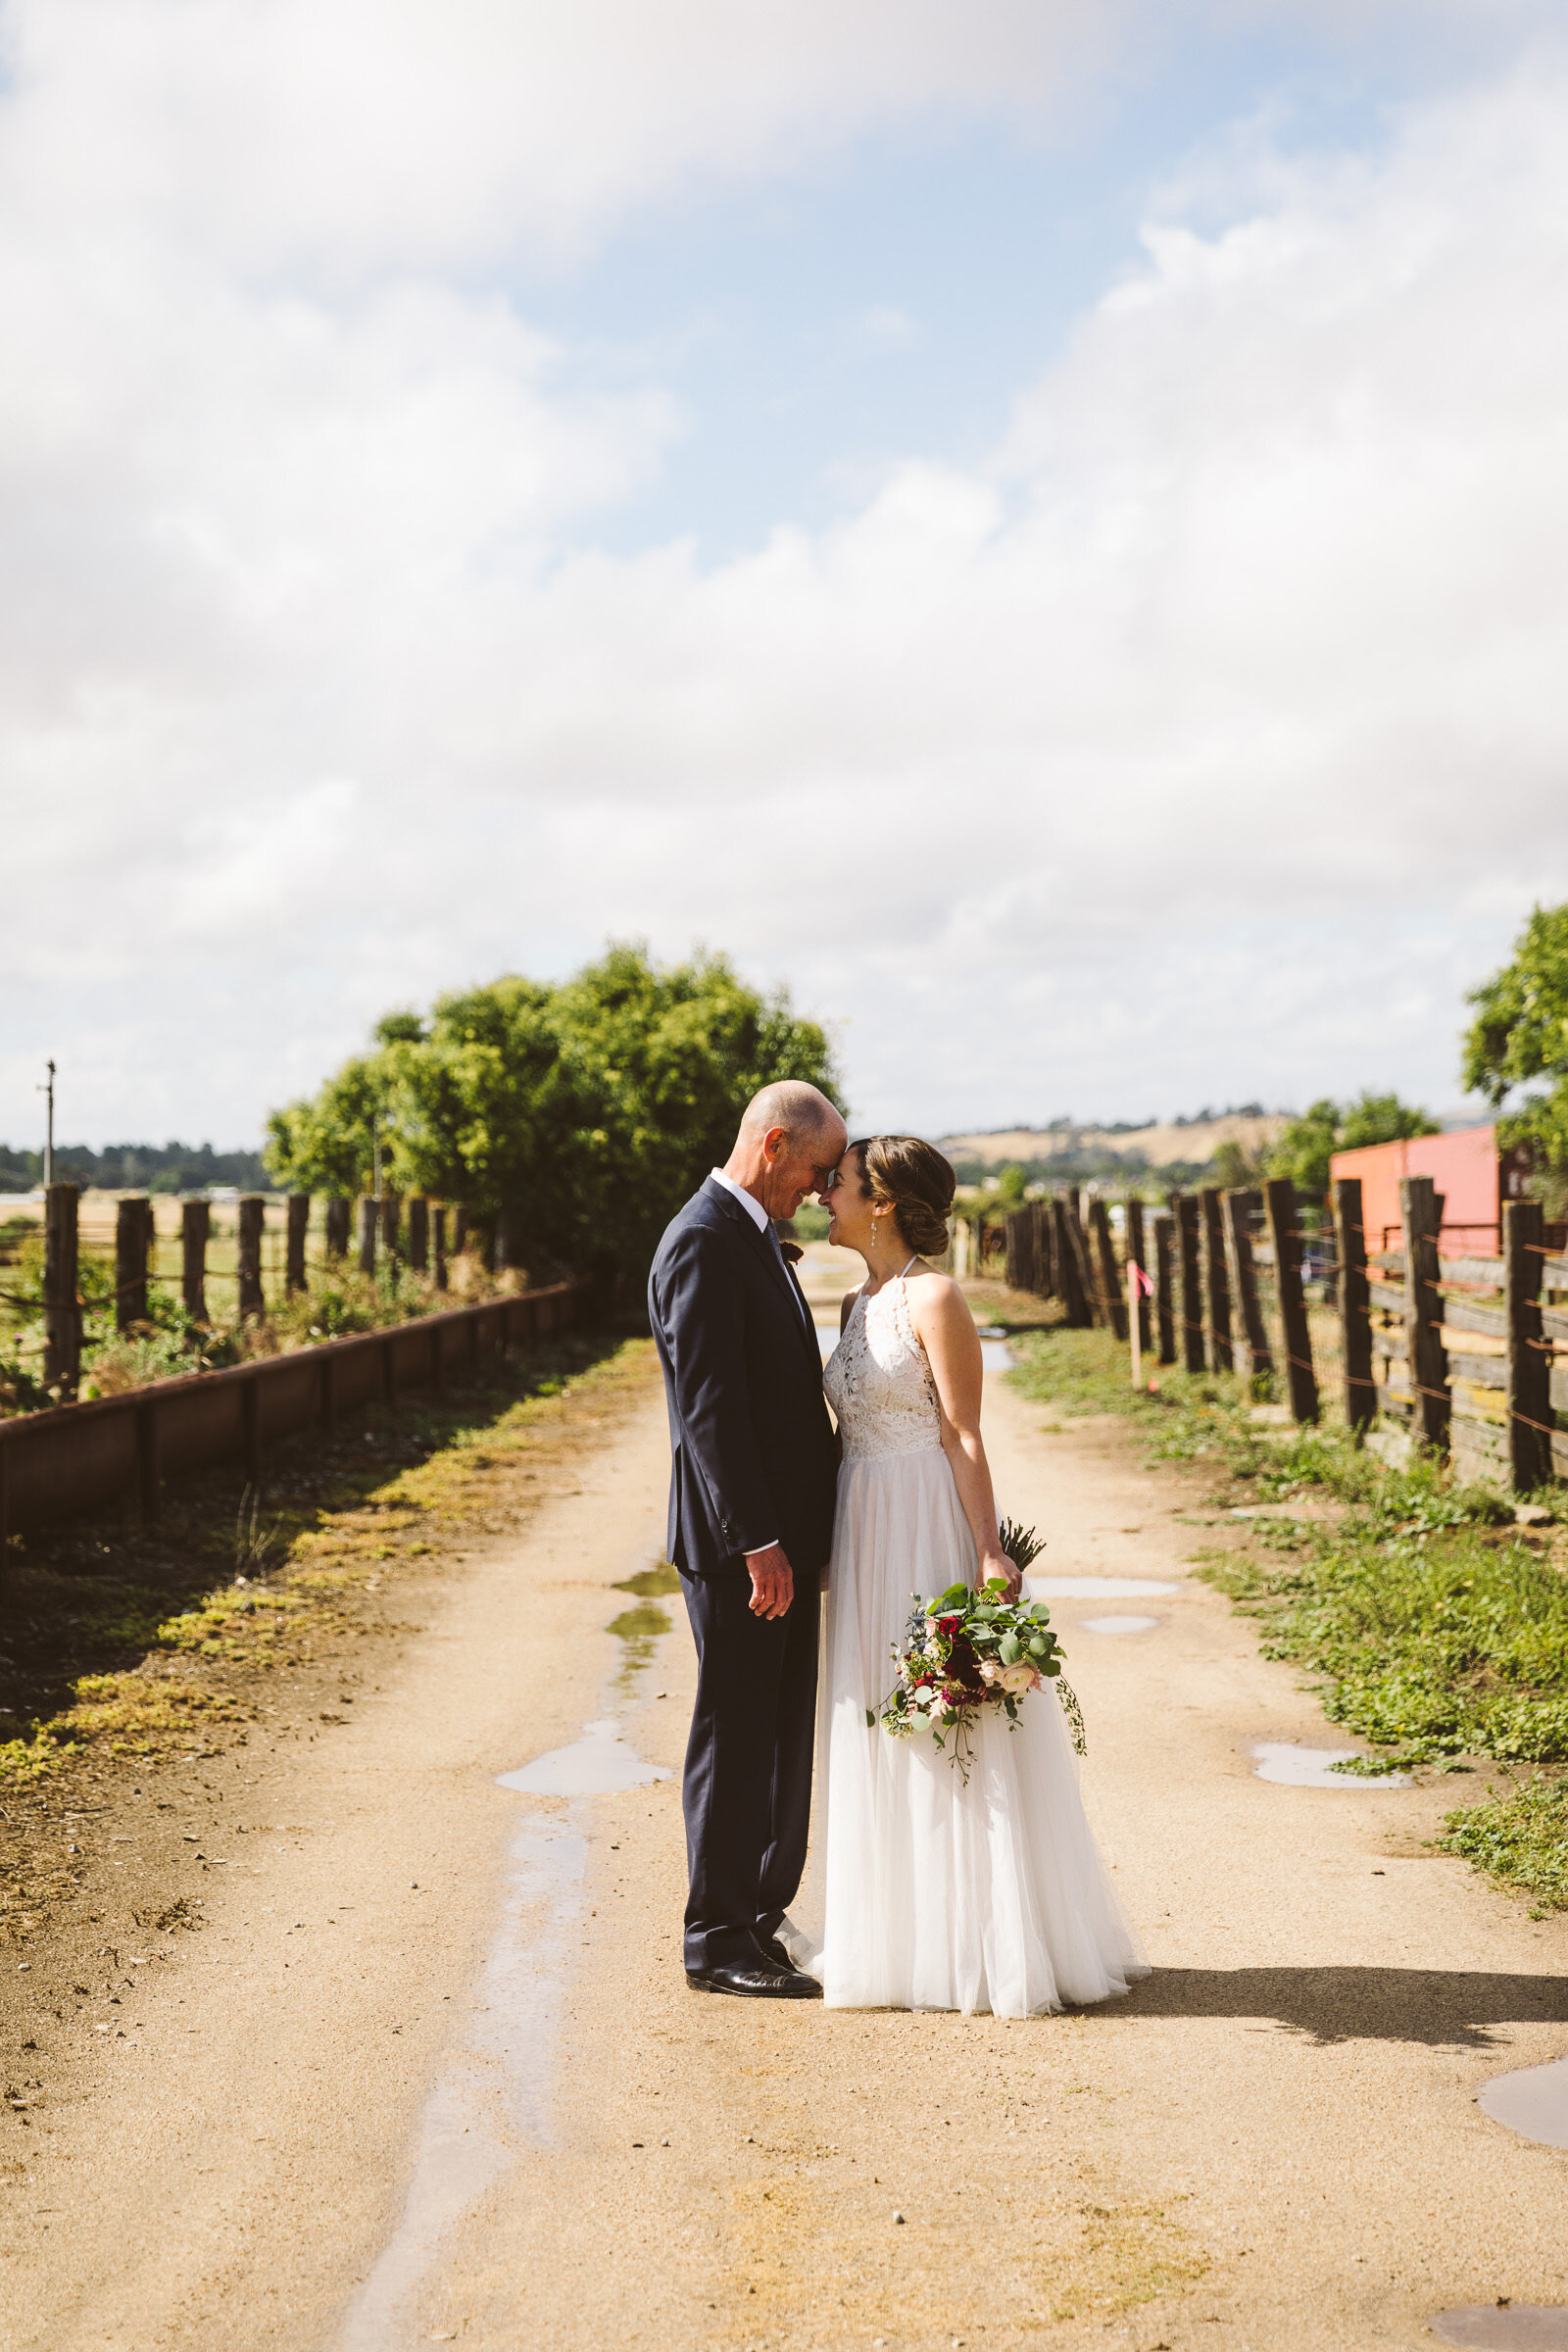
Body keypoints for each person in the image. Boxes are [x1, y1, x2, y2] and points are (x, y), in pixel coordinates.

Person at [781, 1135, 1149, 2016]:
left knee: (949, 1722)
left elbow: (963, 1434)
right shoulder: (848, 1303)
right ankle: (895, 1939)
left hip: (926, 1520)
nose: (821, 1192)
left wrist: (989, 1553)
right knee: (877, 1713)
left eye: (837, 1182)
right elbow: (847, 1433)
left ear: (880, 1201)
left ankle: (980, 1942)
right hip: (865, 1523)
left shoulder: (935, 1298)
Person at [647, 1080, 848, 1998]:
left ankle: (754, 1917)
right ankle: (716, 1939)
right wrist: (759, 1540)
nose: (820, 1187)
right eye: (814, 1169)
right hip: (743, 1550)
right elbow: (710, 1410)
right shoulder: (702, 1241)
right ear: (773, 1147)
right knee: (735, 1738)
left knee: (771, 1735)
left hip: (776, 1545)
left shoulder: (748, 1235)